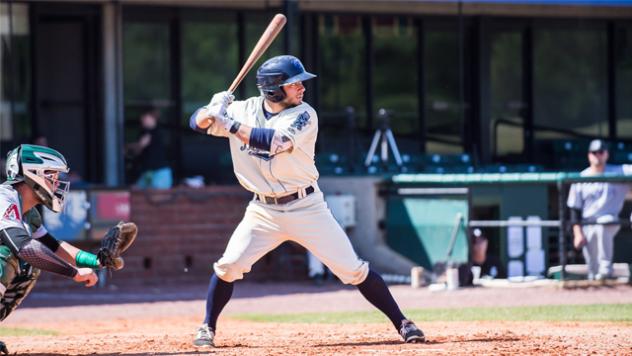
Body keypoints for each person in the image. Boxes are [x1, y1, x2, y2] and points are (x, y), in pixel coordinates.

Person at [188, 55, 425, 347]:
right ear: (274, 89)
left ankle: (403, 322)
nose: (301, 88)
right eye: (293, 83)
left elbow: (275, 142)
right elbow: (196, 124)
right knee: (229, 265)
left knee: (352, 270)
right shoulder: (244, 110)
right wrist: (210, 110)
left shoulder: (304, 114)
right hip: (262, 210)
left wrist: (230, 124)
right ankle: (207, 327)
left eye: (300, 82)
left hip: (306, 206)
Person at [0, 144, 113, 355]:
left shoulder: (28, 212)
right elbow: (25, 248)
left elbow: (53, 246)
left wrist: (97, 261)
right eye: (52, 175)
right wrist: (74, 273)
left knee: (28, 268)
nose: (56, 182)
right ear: (34, 174)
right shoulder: (3, 197)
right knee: (8, 256)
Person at [567, 139, 632, 281]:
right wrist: (577, 233)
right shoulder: (582, 177)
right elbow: (574, 209)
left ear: (606, 154)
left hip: (610, 219)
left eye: (601, 152)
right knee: (592, 269)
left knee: (603, 224)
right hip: (587, 223)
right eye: (594, 152)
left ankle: (606, 268)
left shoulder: (619, 172)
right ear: (589, 155)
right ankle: (597, 289)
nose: (598, 155)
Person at [126, 109, 173, 189]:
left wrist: (127, 147)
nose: (143, 120)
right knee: (137, 191)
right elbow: (139, 149)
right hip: (148, 171)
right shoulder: (144, 132)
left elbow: (141, 145)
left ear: (153, 118)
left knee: (157, 196)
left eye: (145, 118)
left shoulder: (157, 131)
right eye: (142, 118)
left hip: (160, 171)